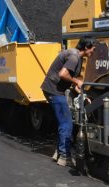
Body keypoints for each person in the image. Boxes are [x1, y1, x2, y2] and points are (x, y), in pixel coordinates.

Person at [41, 37, 96, 167]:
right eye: (93, 49)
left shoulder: (76, 55)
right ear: (86, 47)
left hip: (52, 89)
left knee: (63, 122)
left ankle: (59, 153)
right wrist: (76, 81)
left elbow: (67, 77)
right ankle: (65, 157)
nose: (93, 52)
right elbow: (63, 74)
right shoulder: (74, 57)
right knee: (66, 124)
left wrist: (76, 88)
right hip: (54, 91)